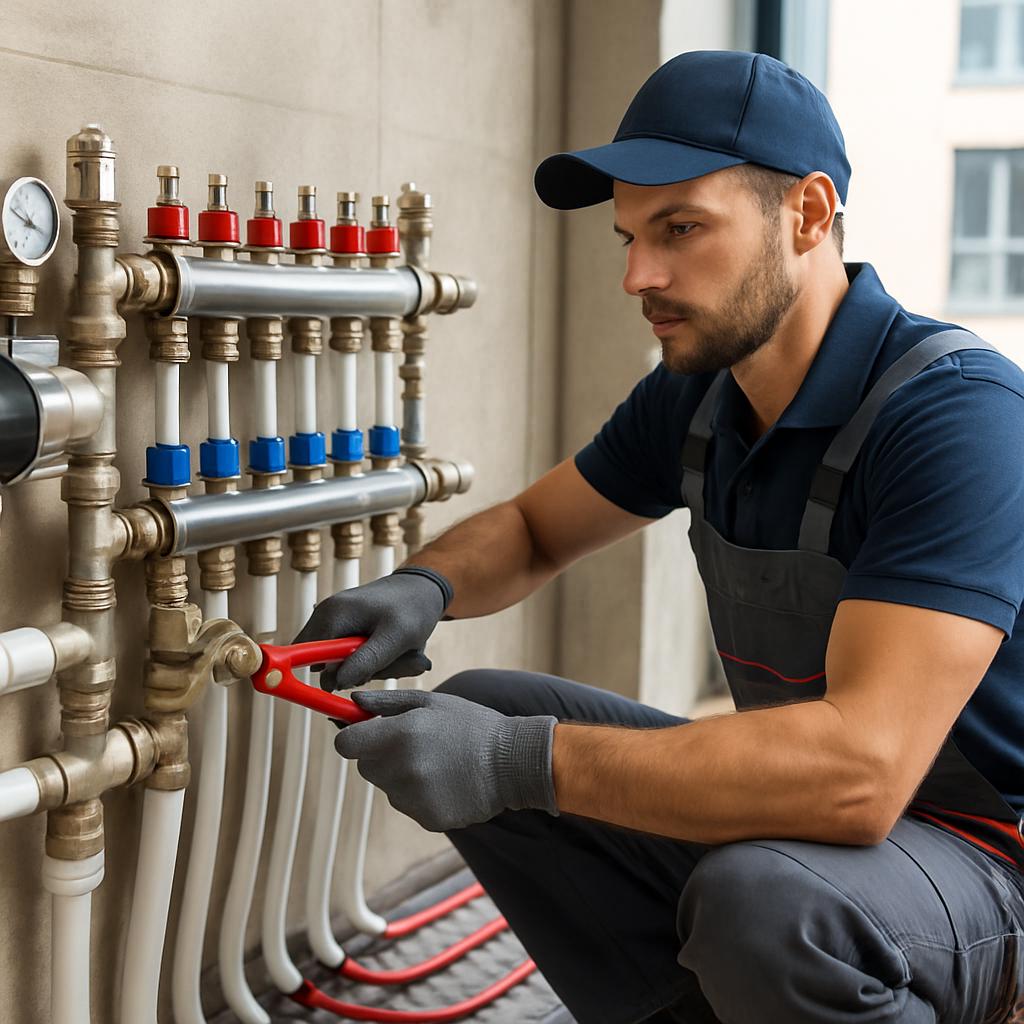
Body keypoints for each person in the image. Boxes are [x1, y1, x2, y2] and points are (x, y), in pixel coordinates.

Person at [296, 50, 1024, 1023]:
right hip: (824, 827)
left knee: (766, 907)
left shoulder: (956, 416)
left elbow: (859, 772)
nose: (640, 273)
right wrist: (423, 585)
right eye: (630, 235)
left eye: (681, 228)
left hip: (981, 856)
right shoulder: (696, 398)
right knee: (479, 702)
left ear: (807, 215)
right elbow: (527, 530)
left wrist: (524, 759)